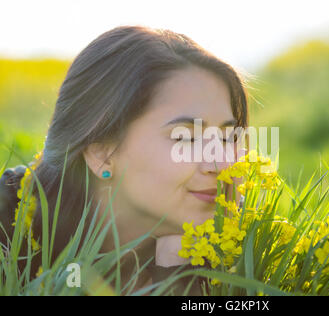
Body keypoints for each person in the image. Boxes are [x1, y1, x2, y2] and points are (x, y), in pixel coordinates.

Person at [0, 25, 249, 295]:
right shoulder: (9, 222)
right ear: (102, 154)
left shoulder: (244, 249)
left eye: (226, 137)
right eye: (186, 138)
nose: (221, 164)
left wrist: (179, 271)